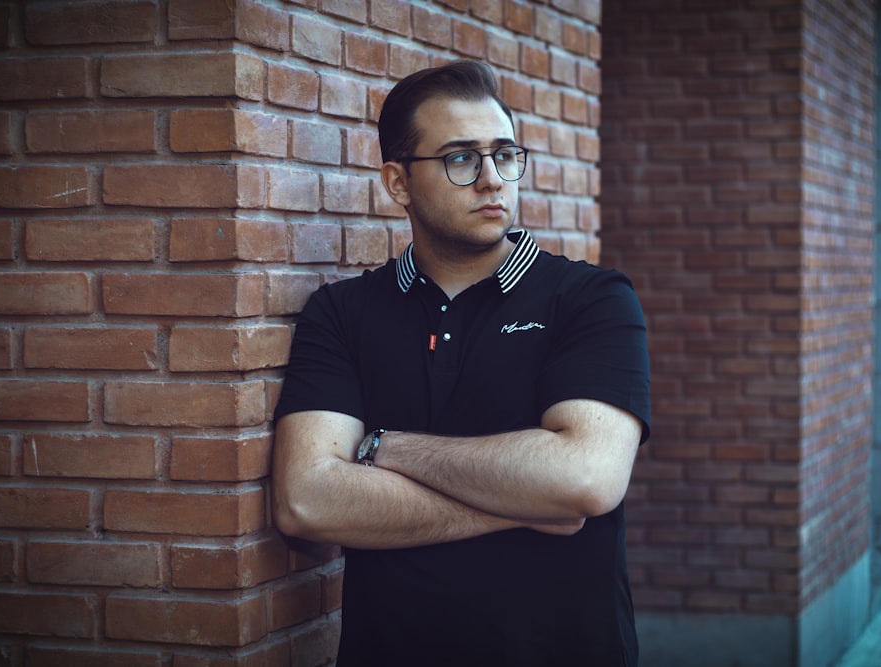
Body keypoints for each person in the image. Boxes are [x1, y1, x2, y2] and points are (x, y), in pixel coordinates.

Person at [271, 60, 651, 667]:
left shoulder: (591, 299)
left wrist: (382, 449)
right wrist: (519, 504)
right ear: (398, 183)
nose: (492, 179)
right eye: (460, 158)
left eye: (504, 154)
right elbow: (307, 502)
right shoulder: (342, 313)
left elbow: (584, 479)